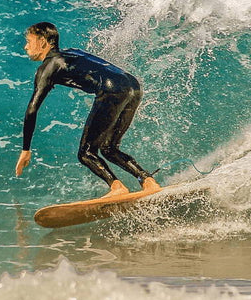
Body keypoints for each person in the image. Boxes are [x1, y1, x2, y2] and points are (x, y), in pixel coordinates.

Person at [14, 21, 161, 198]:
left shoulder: (48, 66)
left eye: (29, 42)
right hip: (133, 85)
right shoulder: (73, 52)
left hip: (111, 90)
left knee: (86, 153)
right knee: (109, 148)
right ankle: (148, 181)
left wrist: (25, 150)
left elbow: (32, 110)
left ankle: (117, 188)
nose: (26, 47)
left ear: (43, 41)